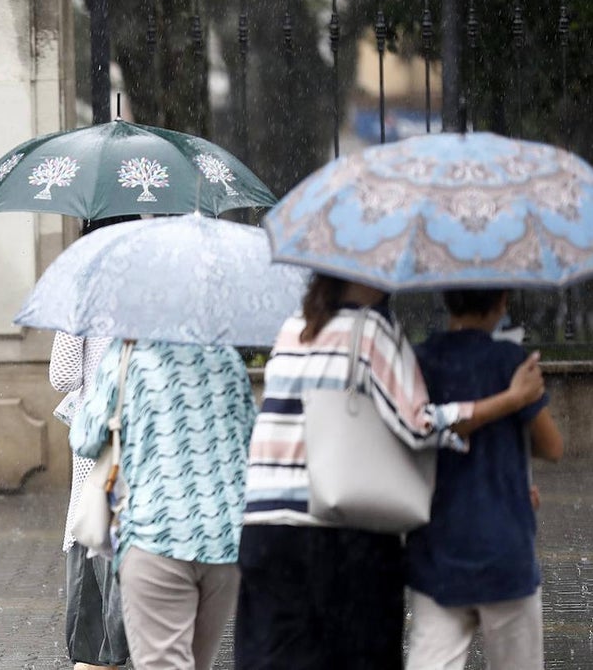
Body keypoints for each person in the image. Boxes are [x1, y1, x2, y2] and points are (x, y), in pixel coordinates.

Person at [234, 274, 546, 670]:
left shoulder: (294, 325)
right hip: (337, 534)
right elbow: (419, 424)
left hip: (264, 530)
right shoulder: (372, 328)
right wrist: (510, 400)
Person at [71, 339, 257, 670]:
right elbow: (248, 438)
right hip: (224, 542)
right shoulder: (227, 357)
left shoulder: (128, 354)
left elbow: (85, 438)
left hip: (156, 535)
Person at [405, 289, 564, 670]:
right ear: (502, 302)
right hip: (505, 550)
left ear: (445, 298)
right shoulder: (511, 362)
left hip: (437, 551)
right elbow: (552, 447)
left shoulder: (420, 361)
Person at [50, 332, 128, 670]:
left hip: (103, 466)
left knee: (96, 647)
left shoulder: (86, 292)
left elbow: (64, 374)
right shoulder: (168, 292)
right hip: (161, 492)